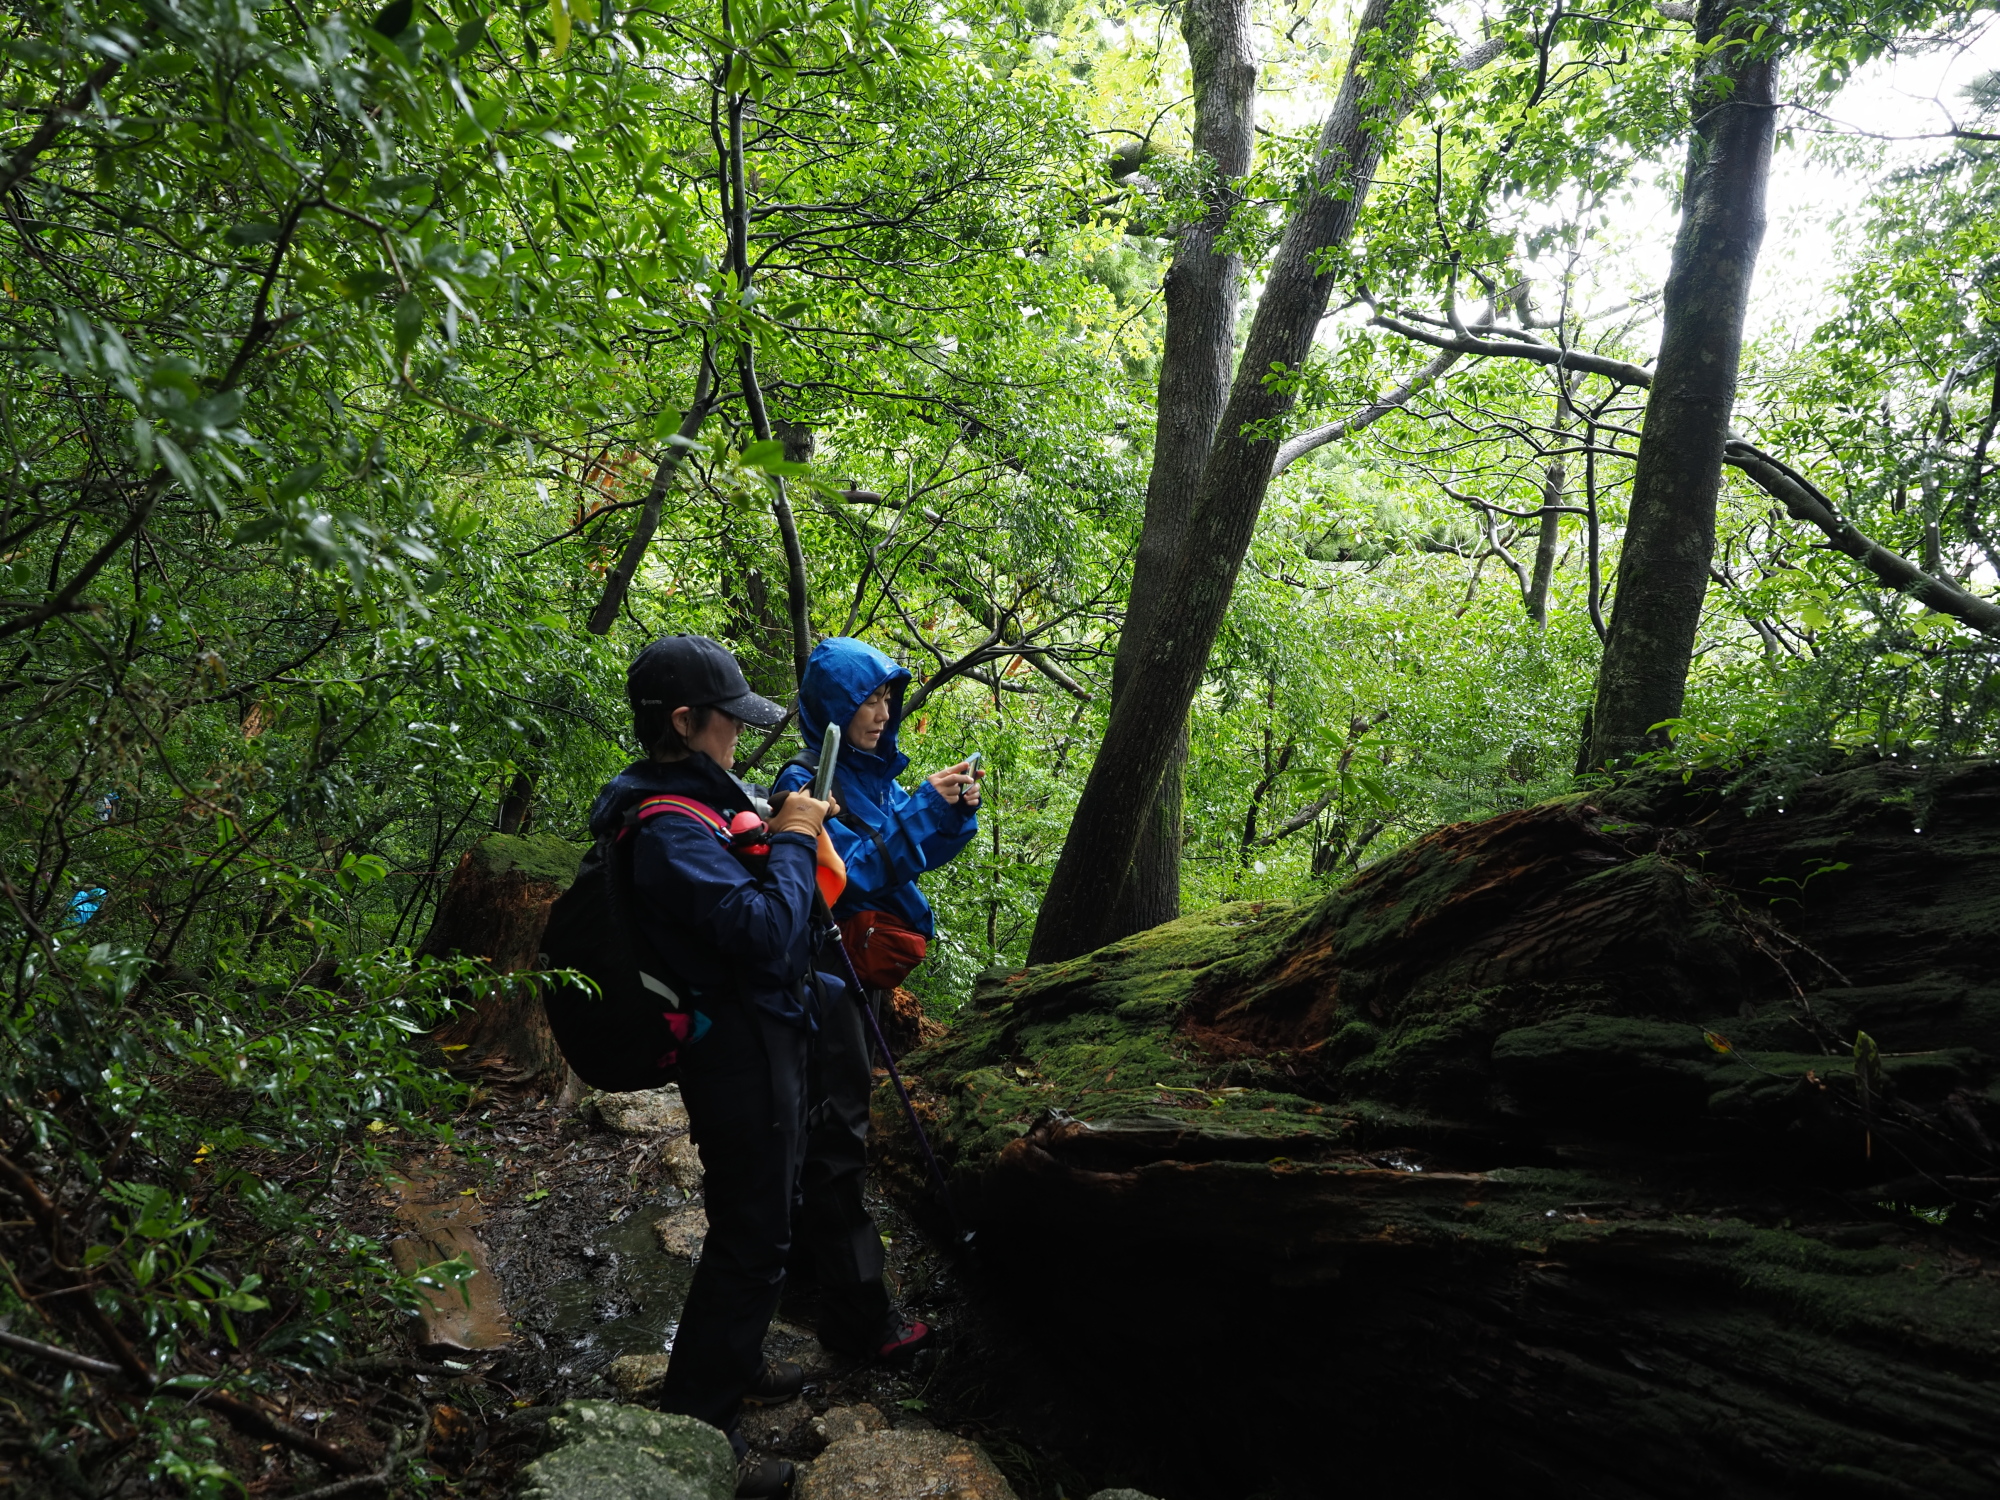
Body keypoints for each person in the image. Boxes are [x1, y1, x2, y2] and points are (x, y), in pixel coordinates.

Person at [588, 633, 837, 1500]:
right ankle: (702, 1422)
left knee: (757, 1216)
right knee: (752, 1230)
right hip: (734, 1048)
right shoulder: (664, 826)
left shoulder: (683, 800)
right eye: (728, 722)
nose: (739, 736)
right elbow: (766, 936)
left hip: (749, 1034)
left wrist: (777, 826)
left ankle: (731, 1359)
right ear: (685, 722)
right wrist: (798, 840)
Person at [771, 636, 981, 1361]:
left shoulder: (870, 779)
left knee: (819, 1135)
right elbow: (848, 877)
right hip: (825, 983)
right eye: (867, 698)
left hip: (856, 979)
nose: (881, 710)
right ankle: (861, 1322)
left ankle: (798, 1282)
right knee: (837, 1144)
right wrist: (922, 809)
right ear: (833, 706)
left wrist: (946, 812)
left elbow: (903, 856)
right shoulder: (804, 783)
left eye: (887, 698)